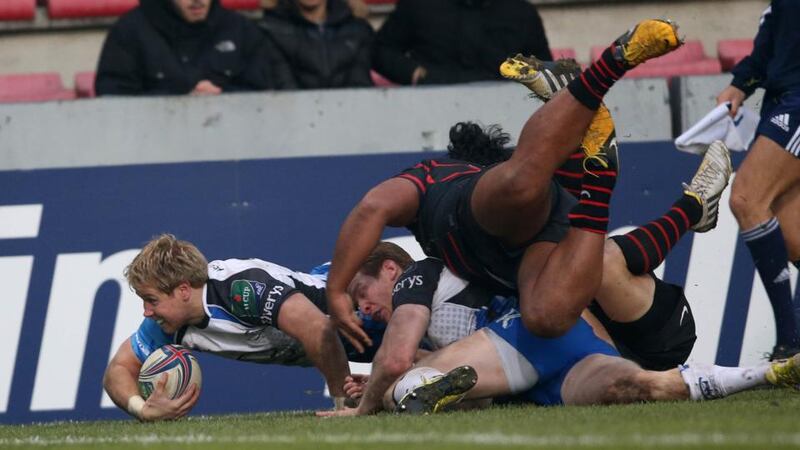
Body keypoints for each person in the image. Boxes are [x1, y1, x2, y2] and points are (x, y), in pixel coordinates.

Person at [326, 19, 689, 351]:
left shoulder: (433, 177)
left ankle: (611, 62)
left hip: (495, 215)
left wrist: (337, 288)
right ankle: (600, 172)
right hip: (545, 245)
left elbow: (373, 206)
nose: (363, 308)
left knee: (520, 186)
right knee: (546, 318)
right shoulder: (433, 288)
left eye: (362, 293)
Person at [103, 234, 350, 421]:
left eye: (152, 300)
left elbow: (319, 328)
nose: (146, 311)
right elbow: (118, 369)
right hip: (355, 349)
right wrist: (143, 409)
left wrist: (343, 404)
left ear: (183, 290)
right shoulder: (168, 324)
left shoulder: (241, 288)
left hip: (365, 303)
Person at [716, 1, 800, 360]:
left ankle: (789, 345)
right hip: (779, 101)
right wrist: (739, 85)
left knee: (747, 197)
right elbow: (769, 43)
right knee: (793, 238)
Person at [95, 0, 274, 96]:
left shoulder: (241, 29)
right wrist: (180, 103)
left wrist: (222, 97)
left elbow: (266, 94)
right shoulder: (129, 32)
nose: (197, 0)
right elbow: (113, 98)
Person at [372, 0, 552, 85]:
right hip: (433, 105)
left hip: (504, 113)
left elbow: (544, 71)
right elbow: (379, 50)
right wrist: (413, 73)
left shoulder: (520, 12)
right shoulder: (420, 5)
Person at [259, 0, 374, 89]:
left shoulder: (357, 29)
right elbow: (285, 90)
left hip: (349, 115)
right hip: (294, 115)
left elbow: (359, 87)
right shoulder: (271, 30)